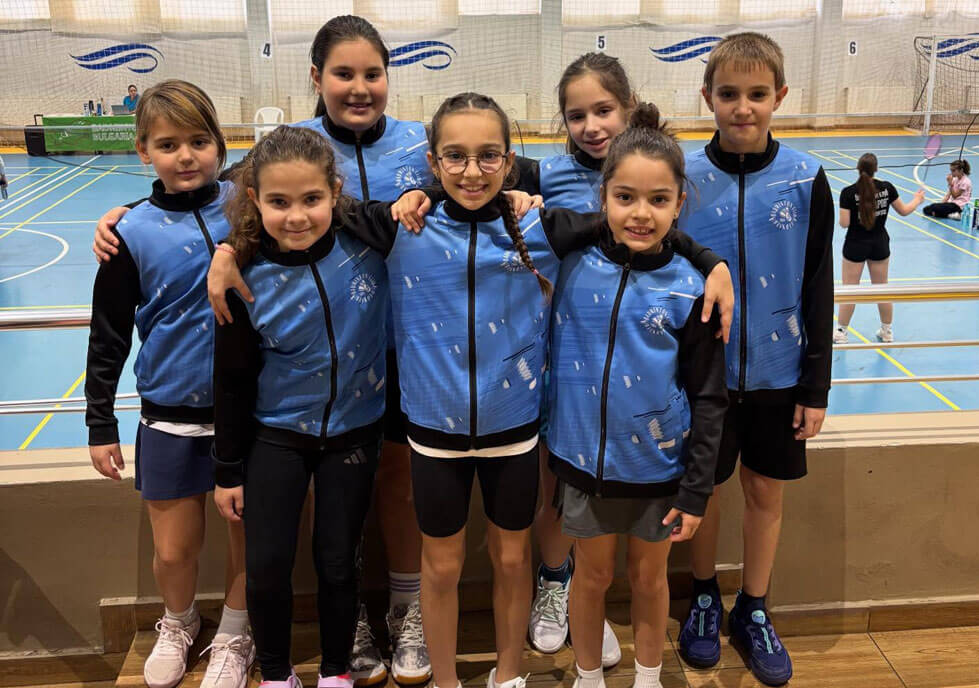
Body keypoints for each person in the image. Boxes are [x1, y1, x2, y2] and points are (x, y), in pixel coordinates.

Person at [294, 92, 728, 688]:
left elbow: (634, 227)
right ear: (432, 161)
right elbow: (302, 201)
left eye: (488, 156)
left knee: (512, 558)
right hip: (433, 436)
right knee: (440, 568)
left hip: (515, 433)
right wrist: (229, 250)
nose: (472, 171)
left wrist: (711, 262)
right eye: (455, 156)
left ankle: (509, 676)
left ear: (509, 161)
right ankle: (447, 681)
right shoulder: (403, 225)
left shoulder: (537, 226)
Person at [91, 16, 435, 686]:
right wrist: (129, 213)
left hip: (396, 356)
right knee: (319, 528)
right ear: (316, 77)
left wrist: (515, 191)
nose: (359, 87)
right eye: (343, 73)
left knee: (394, 489)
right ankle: (346, 628)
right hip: (303, 384)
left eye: (372, 73)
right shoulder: (287, 150)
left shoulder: (418, 143)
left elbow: (470, 180)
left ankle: (405, 605)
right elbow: (197, 188)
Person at [522, 51, 734, 667]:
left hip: (655, 462)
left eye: (604, 110)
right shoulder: (553, 193)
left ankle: (639, 666)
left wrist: (710, 262)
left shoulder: (685, 283)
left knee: (646, 576)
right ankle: (557, 595)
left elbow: (708, 393)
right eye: (576, 115)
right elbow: (478, 200)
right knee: (577, 550)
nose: (591, 124)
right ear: (604, 196)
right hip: (577, 435)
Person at [212, 125, 436, 688]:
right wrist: (227, 469)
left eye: (311, 199)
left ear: (334, 192)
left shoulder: (368, 243)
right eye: (278, 202)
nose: (296, 216)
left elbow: (455, 200)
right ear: (254, 200)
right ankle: (275, 673)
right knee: (267, 565)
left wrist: (517, 193)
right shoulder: (243, 275)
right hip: (275, 436)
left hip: (355, 433)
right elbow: (231, 379)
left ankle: (336, 672)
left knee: (339, 561)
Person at [675, 33, 834, 687]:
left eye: (757, 94)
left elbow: (819, 284)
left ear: (780, 97)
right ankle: (704, 597)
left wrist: (815, 386)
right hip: (703, 378)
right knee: (705, 490)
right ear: (707, 97)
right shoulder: (684, 176)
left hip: (778, 374)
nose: (743, 107)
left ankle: (754, 607)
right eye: (729, 94)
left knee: (765, 492)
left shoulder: (805, 178)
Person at [83, 80, 253, 688]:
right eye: (168, 144)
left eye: (199, 141)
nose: (186, 156)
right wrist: (99, 421)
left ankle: (236, 632)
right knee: (175, 550)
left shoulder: (248, 205)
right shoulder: (129, 233)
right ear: (143, 151)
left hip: (251, 412)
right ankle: (179, 622)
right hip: (171, 415)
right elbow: (108, 335)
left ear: (220, 144)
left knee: (248, 539)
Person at [834, 153, 924, 344]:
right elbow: (904, 211)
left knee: (850, 289)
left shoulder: (848, 192)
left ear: (858, 168)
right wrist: (917, 199)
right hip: (879, 244)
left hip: (855, 245)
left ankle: (841, 332)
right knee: (882, 289)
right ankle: (887, 331)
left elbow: (844, 223)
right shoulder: (887, 188)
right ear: (876, 169)